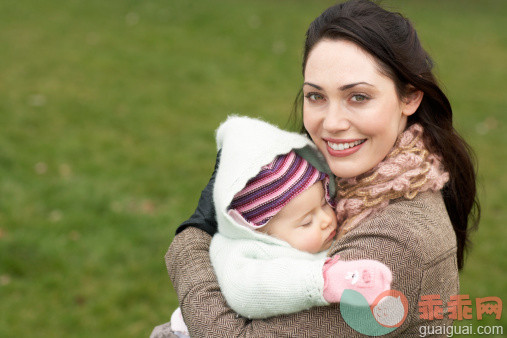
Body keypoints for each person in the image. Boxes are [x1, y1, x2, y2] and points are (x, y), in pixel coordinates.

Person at [161, 0, 480, 336]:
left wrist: (193, 239)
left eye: (358, 96)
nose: (331, 123)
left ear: (410, 98)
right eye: (316, 96)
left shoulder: (393, 244)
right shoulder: (339, 182)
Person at [167, 116, 392, 338]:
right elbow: (248, 289)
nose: (326, 220)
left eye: (324, 203)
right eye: (306, 222)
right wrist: (323, 280)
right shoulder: (239, 250)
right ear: (258, 230)